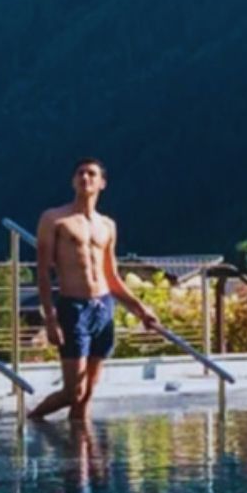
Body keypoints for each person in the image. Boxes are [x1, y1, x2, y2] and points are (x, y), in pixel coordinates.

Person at [27, 157, 161, 423]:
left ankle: (81, 448)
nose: (85, 178)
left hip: (103, 308)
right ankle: (30, 421)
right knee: (73, 392)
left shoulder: (107, 225)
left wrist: (140, 309)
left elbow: (112, 277)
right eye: (80, 173)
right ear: (73, 181)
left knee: (87, 394)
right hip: (73, 308)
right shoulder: (54, 219)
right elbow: (42, 273)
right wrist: (50, 318)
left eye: (91, 174)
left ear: (102, 183)